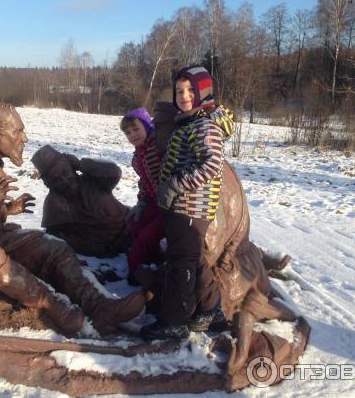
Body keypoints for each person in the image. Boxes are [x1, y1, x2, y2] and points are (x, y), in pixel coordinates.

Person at [0, 102, 145, 335]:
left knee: (53, 247)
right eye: (18, 131)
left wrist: (7, 209)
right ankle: (58, 310)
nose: (25, 138)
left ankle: (100, 305)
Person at [140, 66, 234, 340]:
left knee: (180, 264)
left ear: (203, 92)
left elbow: (211, 164)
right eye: (179, 90)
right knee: (194, 259)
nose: (183, 95)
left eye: (190, 90)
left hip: (191, 207)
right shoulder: (190, 122)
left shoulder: (204, 125)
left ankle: (175, 321)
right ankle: (211, 310)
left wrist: (174, 185)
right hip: (185, 207)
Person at [31, 145, 130, 257]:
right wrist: (99, 249)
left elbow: (114, 172)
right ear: (47, 183)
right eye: (56, 179)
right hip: (114, 246)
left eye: (65, 172)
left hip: (132, 224)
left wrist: (80, 164)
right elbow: (59, 237)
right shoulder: (54, 203)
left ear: (71, 166)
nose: (65, 180)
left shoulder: (93, 180)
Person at [120, 108, 165, 280]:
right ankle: (155, 257)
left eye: (136, 129)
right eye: (128, 133)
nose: (132, 135)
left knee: (145, 237)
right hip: (154, 203)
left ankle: (134, 274)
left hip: (170, 207)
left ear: (147, 125)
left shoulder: (157, 148)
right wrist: (142, 202)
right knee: (135, 223)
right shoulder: (138, 157)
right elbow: (145, 183)